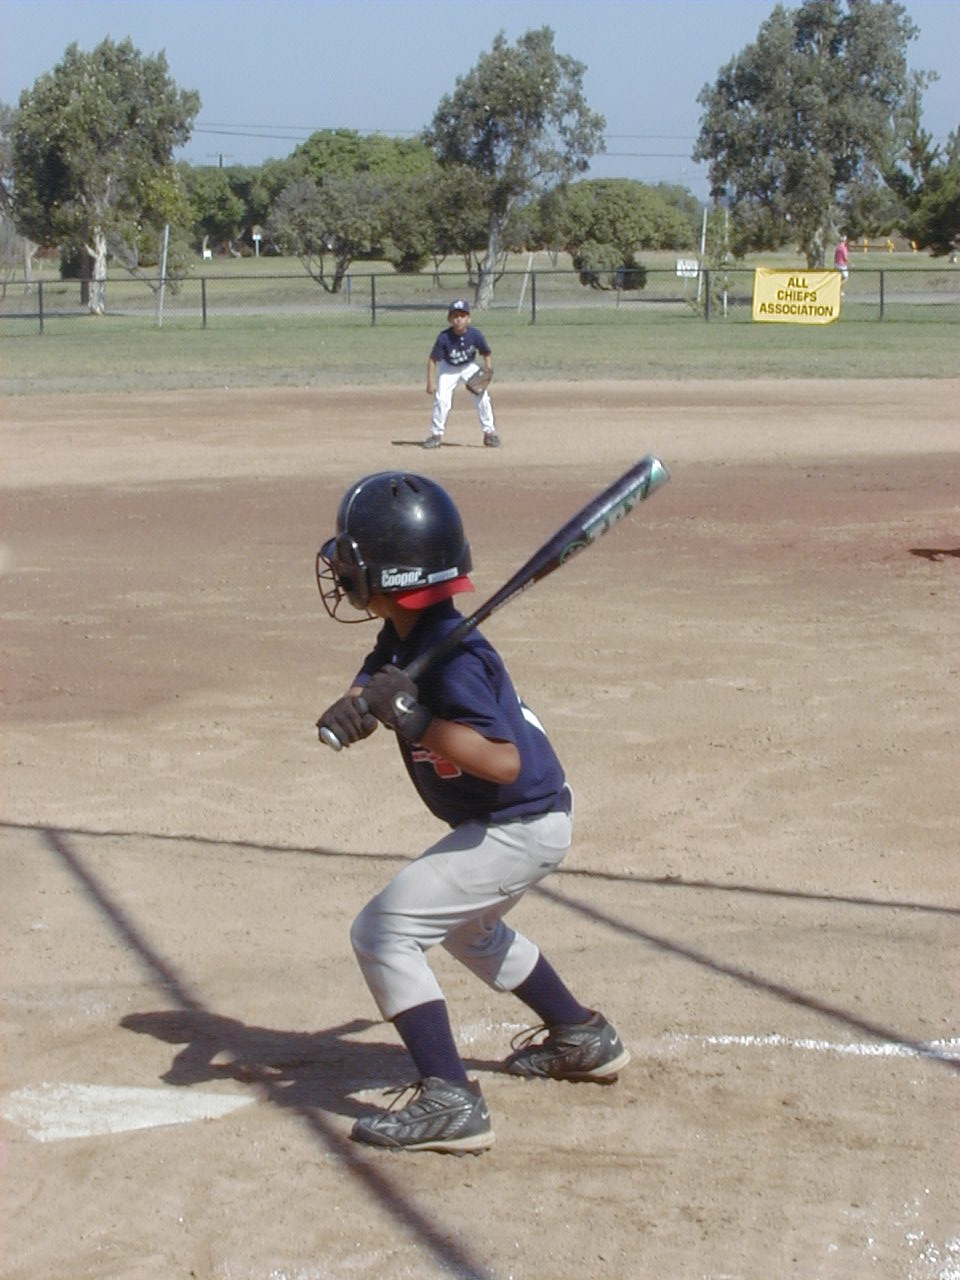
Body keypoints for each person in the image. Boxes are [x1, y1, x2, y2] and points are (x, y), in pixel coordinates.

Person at [315, 471, 629, 1154]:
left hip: (521, 825)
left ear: (392, 575)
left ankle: (451, 1098)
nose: (342, 568)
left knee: (383, 932)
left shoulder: (456, 658)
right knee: (466, 929)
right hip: (516, 822)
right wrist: (358, 706)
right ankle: (581, 1035)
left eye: (354, 558)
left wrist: (415, 719)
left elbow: (502, 761)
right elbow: (377, 675)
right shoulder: (408, 634)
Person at [424, 299, 501, 449]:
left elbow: (486, 353)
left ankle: (489, 433)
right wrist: (430, 382)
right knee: (442, 400)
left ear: (469, 319)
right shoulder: (444, 337)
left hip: (469, 366)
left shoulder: (475, 335)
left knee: (483, 398)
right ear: (449, 319)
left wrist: (487, 372)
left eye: (462, 315)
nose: (458, 319)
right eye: (455, 316)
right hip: (448, 368)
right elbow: (433, 359)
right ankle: (436, 435)